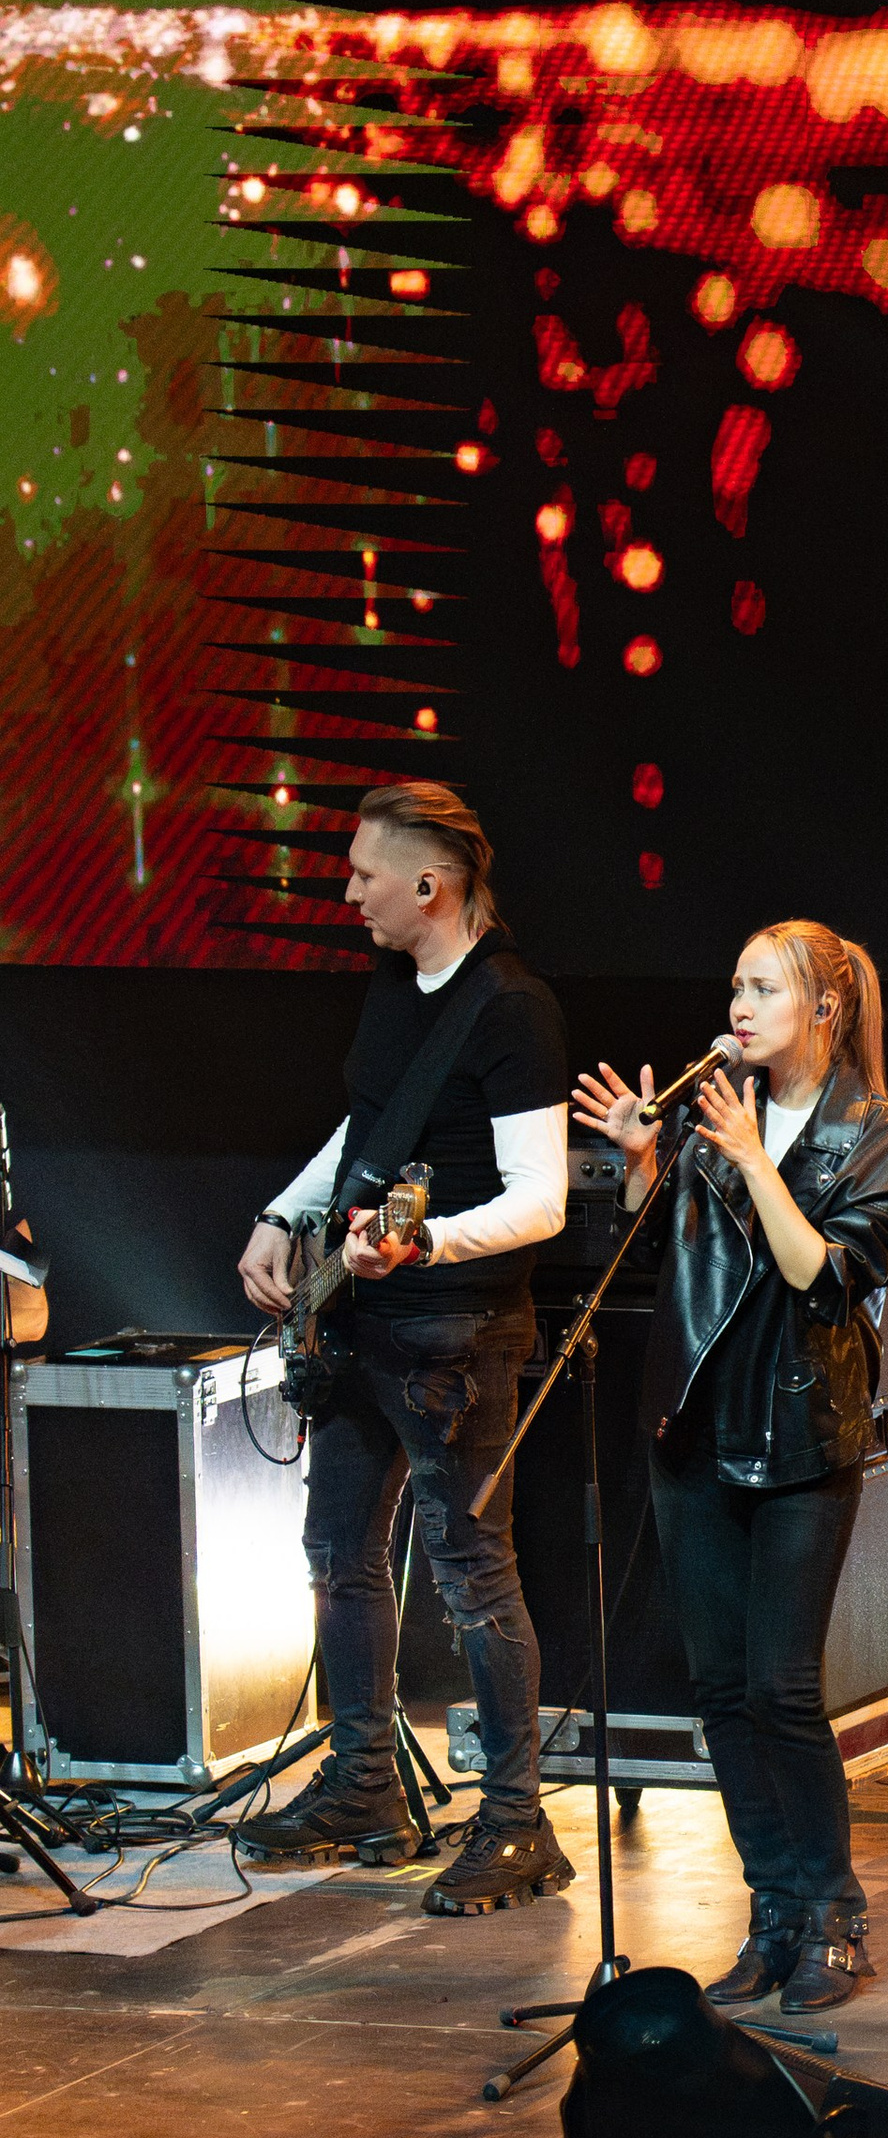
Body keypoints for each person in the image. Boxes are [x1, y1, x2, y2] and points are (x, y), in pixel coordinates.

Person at [235, 783, 572, 1913]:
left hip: (458, 1329)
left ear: (430, 885)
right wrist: (286, 1212)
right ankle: (365, 1784)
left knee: (473, 1577)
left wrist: (424, 1242)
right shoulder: (394, 984)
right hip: (366, 1321)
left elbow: (542, 1200)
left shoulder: (515, 1010)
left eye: (363, 875)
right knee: (339, 1554)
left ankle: (516, 1822)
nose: (346, 893)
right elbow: (368, 1129)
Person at [577, 922, 888, 2016]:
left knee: (780, 1689)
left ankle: (832, 1911)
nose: (737, 1004)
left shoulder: (867, 1129)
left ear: (822, 1007)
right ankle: (771, 1910)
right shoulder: (703, 1112)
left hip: (798, 1435)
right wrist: (642, 1169)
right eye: (733, 984)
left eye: (763, 987)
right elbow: (659, 1259)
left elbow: (822, 1276)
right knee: (719, 1688)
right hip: (692, 1428)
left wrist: (754, 1160)